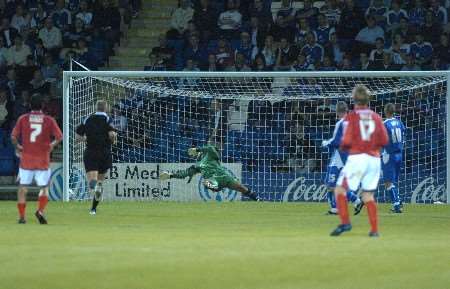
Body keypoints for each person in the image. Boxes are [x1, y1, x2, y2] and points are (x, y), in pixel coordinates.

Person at [330, 85, 388, 237]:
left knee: (339, 189)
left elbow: (346, 141)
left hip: (358, 158)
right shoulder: (376, 116)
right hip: (374, 159)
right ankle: (374, 231)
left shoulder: (352, 117)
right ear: (368, 100)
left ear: (354, 100)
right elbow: (384, 140)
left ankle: (345, 223)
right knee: (368, 195)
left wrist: (343, 147)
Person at [11, 94, 63, 224]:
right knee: (44, 187)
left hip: (26, 159)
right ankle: (40, 211)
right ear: (43, 106)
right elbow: (59, 136)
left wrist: (18, 146)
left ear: (29, 105)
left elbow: (13, 136)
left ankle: (22, 217)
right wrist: (51, 145)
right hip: (43, 159)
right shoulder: (49, 120)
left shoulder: (23, 119)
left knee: (23, 188)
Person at [160, 144, 261, 201]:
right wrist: (171, 175)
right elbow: (185, 173)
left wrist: (198, 148)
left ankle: (257, 199)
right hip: (214, 180)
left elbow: (210, 148)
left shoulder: (210, 155)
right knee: (205, 182)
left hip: (224, 176)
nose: (196, 154)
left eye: (197, 153)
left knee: (241, 188)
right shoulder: (196, 166)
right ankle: (217, 188)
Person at [75, 100, 117, 215]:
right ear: (106, 108)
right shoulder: (108, 119)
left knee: (92, 180)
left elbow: (78, 136)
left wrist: (86, 139)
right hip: (104, 153)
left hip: (91, 152)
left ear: (96, 108)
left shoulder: (87, 119)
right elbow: (112, 134)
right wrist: (112, 141)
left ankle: (93, 183)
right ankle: (93, 209)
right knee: (100, 182)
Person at [322, 101, 363, 215]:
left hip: (340, 157)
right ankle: (355, 201)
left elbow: (336, 141)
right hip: (348, 157)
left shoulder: (341, 123)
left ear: (337, 112)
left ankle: (337, 208)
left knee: (332, 184)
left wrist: (325, 143)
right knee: (333, 184)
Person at [382, 103, 405, 213]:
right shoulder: (399, 122)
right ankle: (399, 201)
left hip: (389, 154)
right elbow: (403, 134)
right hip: (399, 154)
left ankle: (396, 205)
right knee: (393, 180)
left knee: (388, 182)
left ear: (386, 111)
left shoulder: (385, 124)